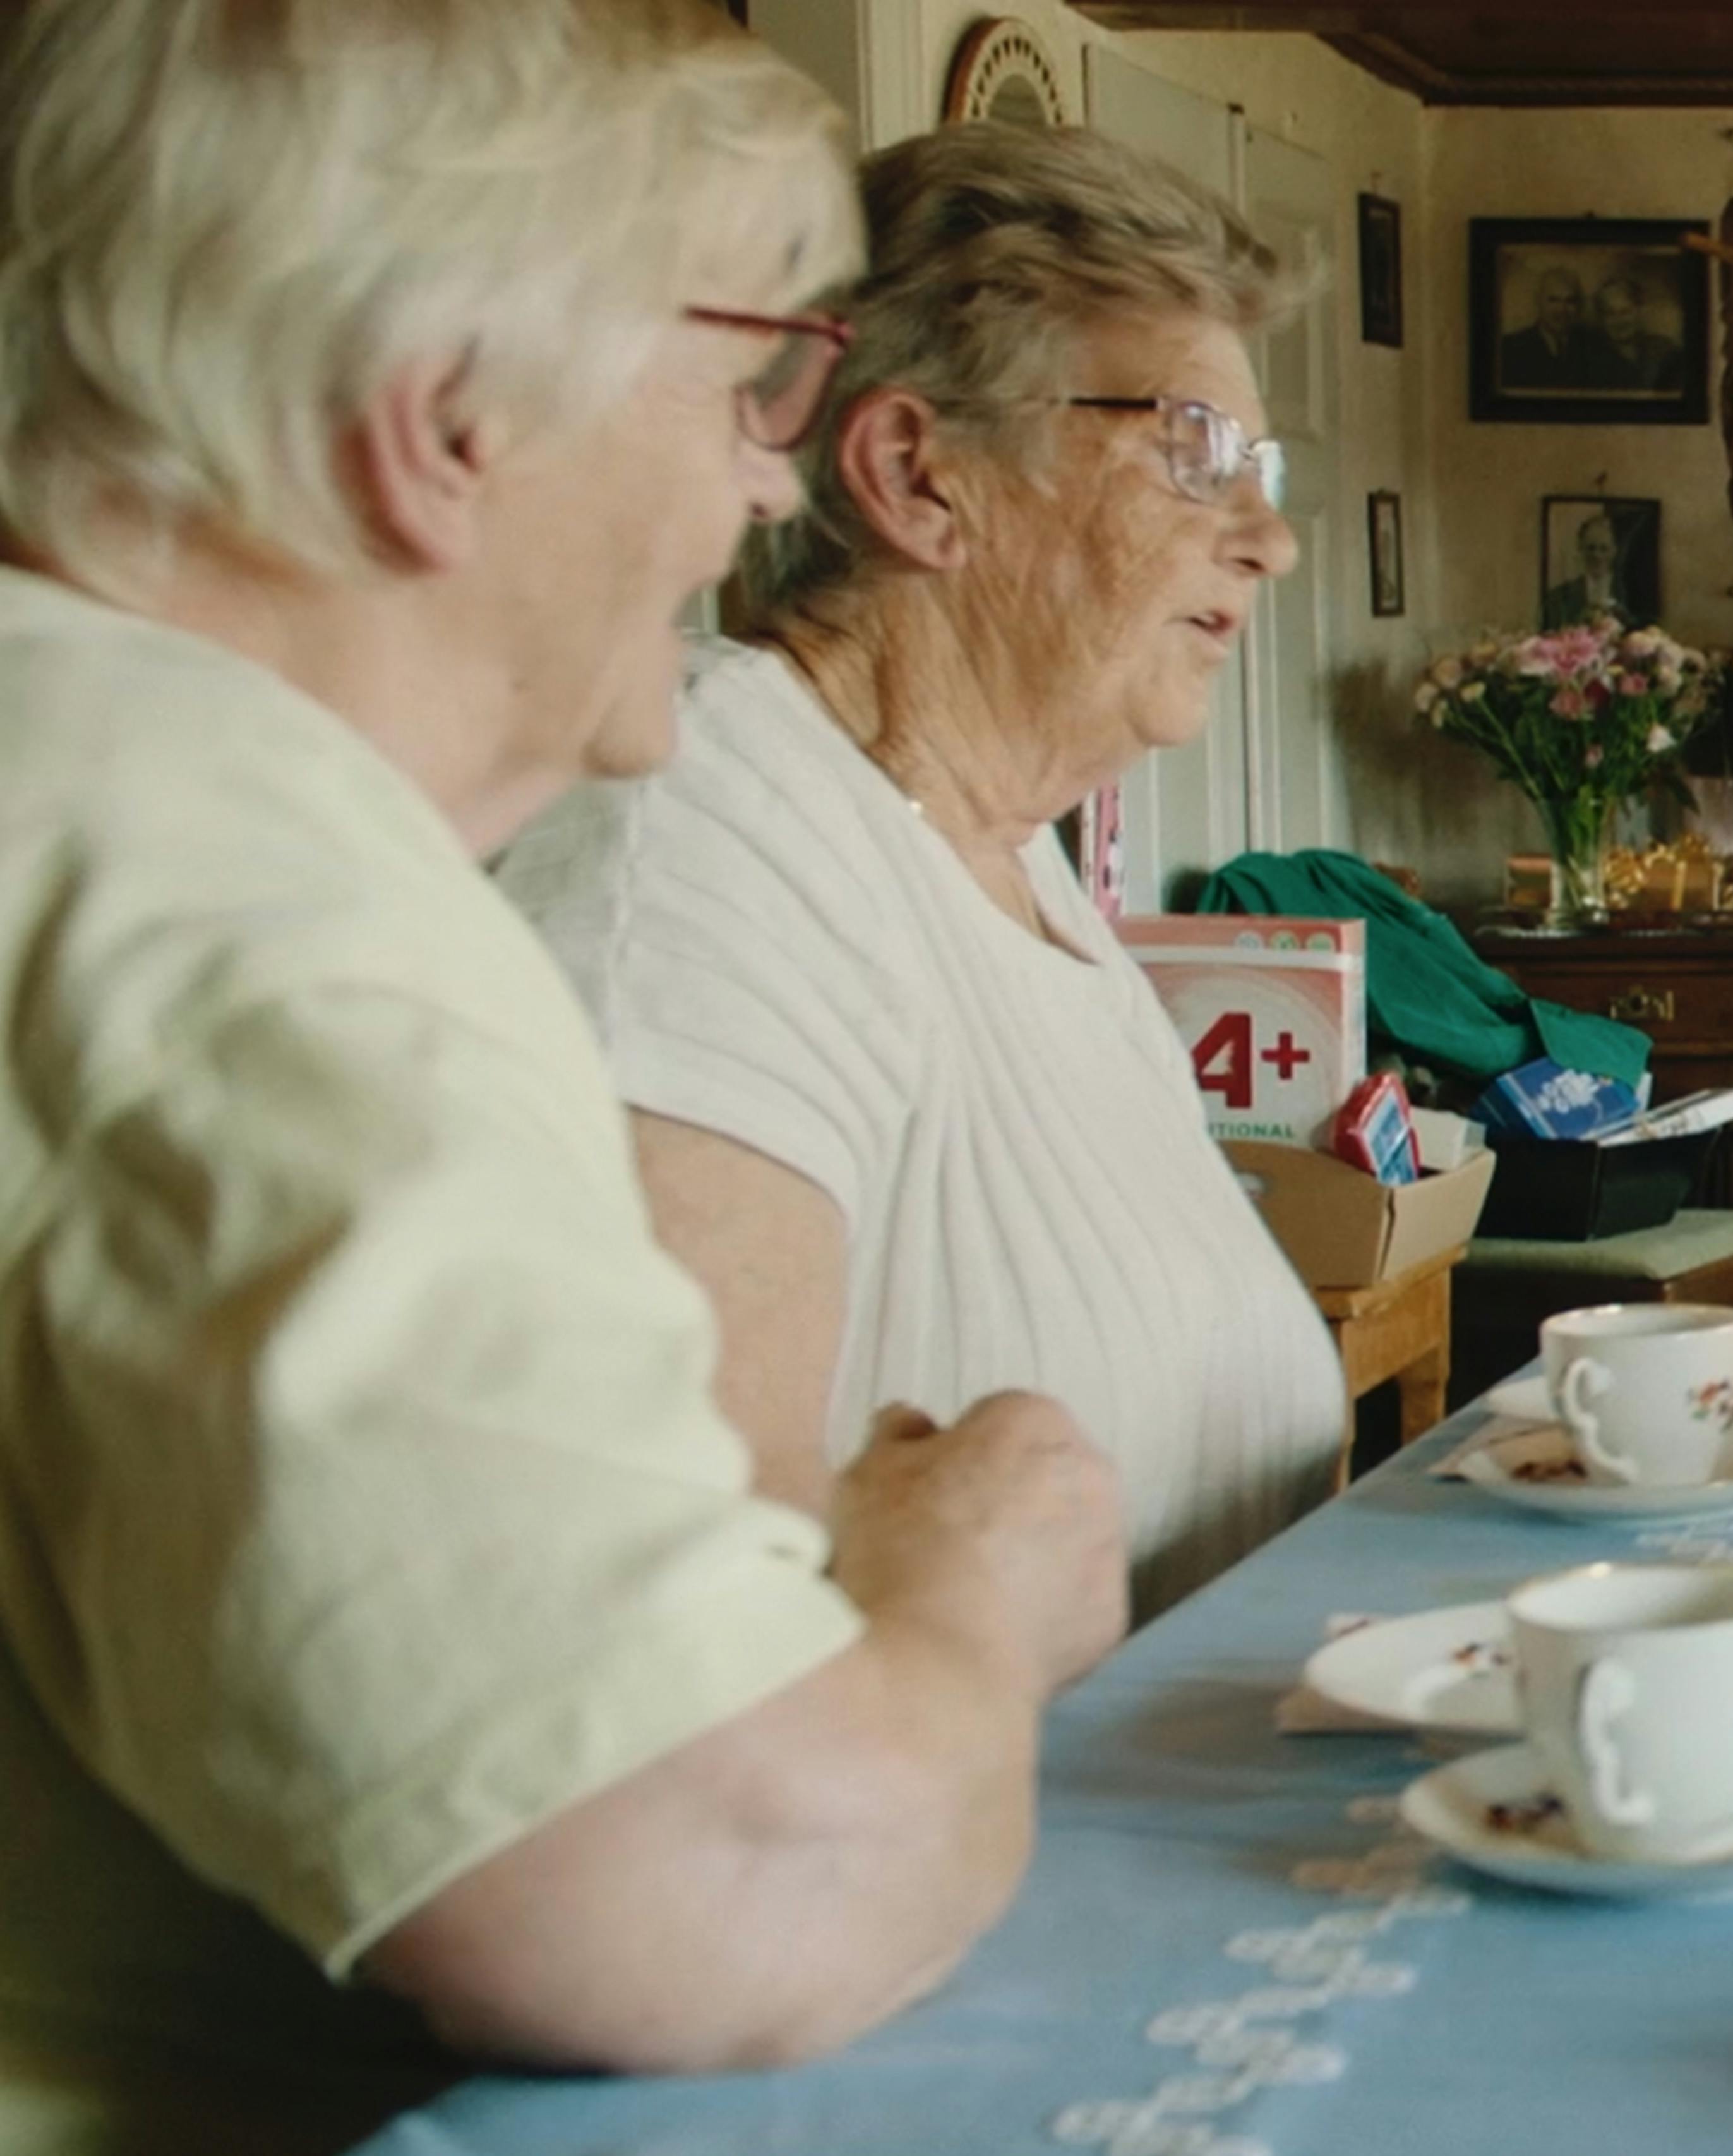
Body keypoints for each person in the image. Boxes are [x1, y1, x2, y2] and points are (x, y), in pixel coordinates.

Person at [0, 1, 1125, 2147]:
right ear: (445, 416)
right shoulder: (254, 900)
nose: (768, 475)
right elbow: (714, 1883)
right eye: (745, 377)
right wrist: (967, 1589)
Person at [493, 122, 1336, 1614]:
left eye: (1256, 468)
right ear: (916, 474)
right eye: (1195, 451)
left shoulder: (1010, 862)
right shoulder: (702, 826)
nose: (1268, 539)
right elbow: (657, 1619)